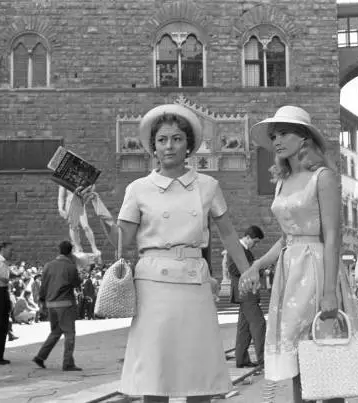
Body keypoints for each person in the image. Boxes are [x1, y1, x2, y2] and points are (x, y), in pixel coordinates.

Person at [79, 104, 252, 403]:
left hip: (193, 284)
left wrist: (247, 271)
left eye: (176, 139)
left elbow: (228, 234)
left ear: (189, 146)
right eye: (162, 140)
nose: (169, 146)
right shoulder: (138, 189)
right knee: (154, 375)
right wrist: (98, 208)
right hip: (152, 287)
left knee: (198, 375)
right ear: (153, 147)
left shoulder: (208, 185)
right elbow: (123, 242)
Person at [239, 106, 358, 403]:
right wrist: (256, 265)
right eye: (273, 136)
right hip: (289, 270)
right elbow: (286, 236)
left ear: (304, 137)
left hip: (318, 267)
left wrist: (330, 291)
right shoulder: (281, 181)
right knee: (298, 357)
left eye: (284, 133)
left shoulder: (323, 177)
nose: (277, 140)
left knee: (326, 350)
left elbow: (332, 236)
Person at [33, 240, 82, 371]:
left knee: (55, 332)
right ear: (70, 252)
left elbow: (43, 285)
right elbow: (76, 283)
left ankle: (40, 356)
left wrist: (42, 301)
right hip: (65, 303)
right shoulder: (70, 266)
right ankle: (68, 363)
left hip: (50, 303)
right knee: (69, 333)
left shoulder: (48, 265)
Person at [226, 225, 266, 369]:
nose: (255, 245)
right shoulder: (236, 249)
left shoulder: (245, 250)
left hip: (246, 294)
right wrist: (255, 267)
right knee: (259, 324)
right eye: (255, 242)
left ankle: (241, 359)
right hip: (246, 293)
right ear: (248, 237)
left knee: (244, 328)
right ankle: (264, 360)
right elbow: (233, 269)